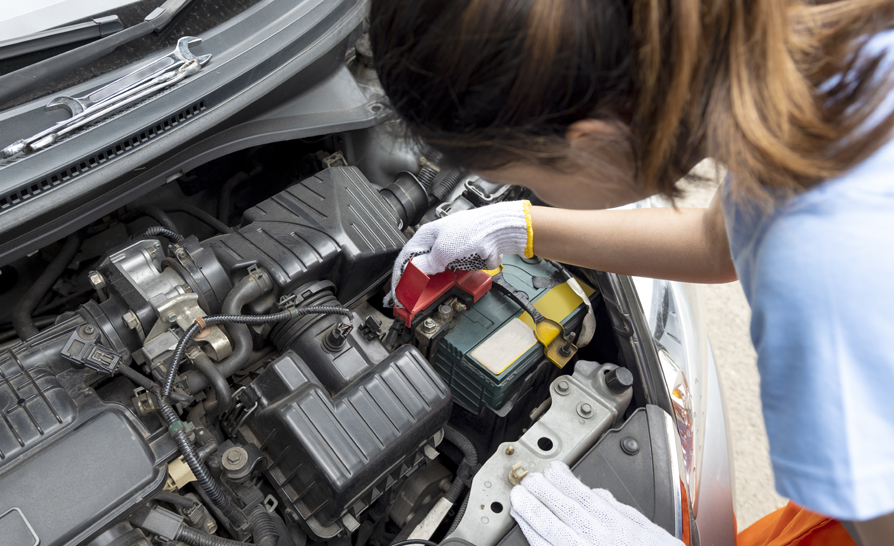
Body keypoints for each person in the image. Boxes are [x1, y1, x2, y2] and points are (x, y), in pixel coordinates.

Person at [368, 1, 894, 545]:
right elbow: (721, 242)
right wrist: (520, 224)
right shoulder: (813, 54)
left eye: (517, 177)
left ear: (592, 144)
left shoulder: (825, 289)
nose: (527, 192)